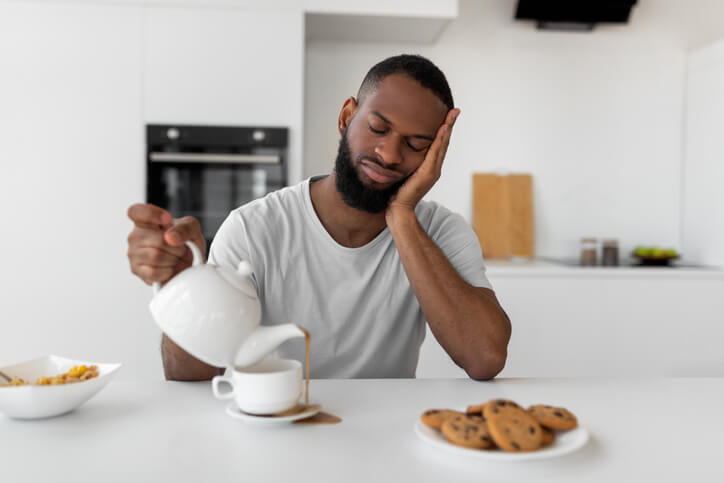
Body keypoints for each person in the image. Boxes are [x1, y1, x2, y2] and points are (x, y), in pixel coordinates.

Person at [127, 54, 511, 381]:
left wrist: (403, 215)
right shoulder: (253, 228)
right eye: (378, 127)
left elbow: (485, 358)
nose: (390, 154)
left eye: (415, 145)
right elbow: (187, 376)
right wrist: (186, 288)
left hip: (383, 444)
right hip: (269, 437)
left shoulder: (441, 232)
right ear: (347, 116)